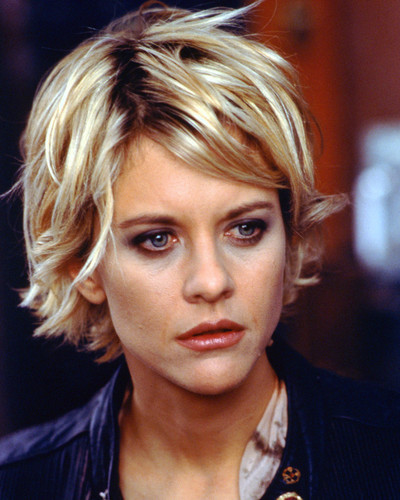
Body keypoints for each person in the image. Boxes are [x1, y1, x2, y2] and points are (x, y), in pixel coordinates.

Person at [0, 2, 399, 499]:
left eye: (246, 229)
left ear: (289, 236)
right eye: (157, 239)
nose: (212, 282)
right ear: (85, 265)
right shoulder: (18, 483)